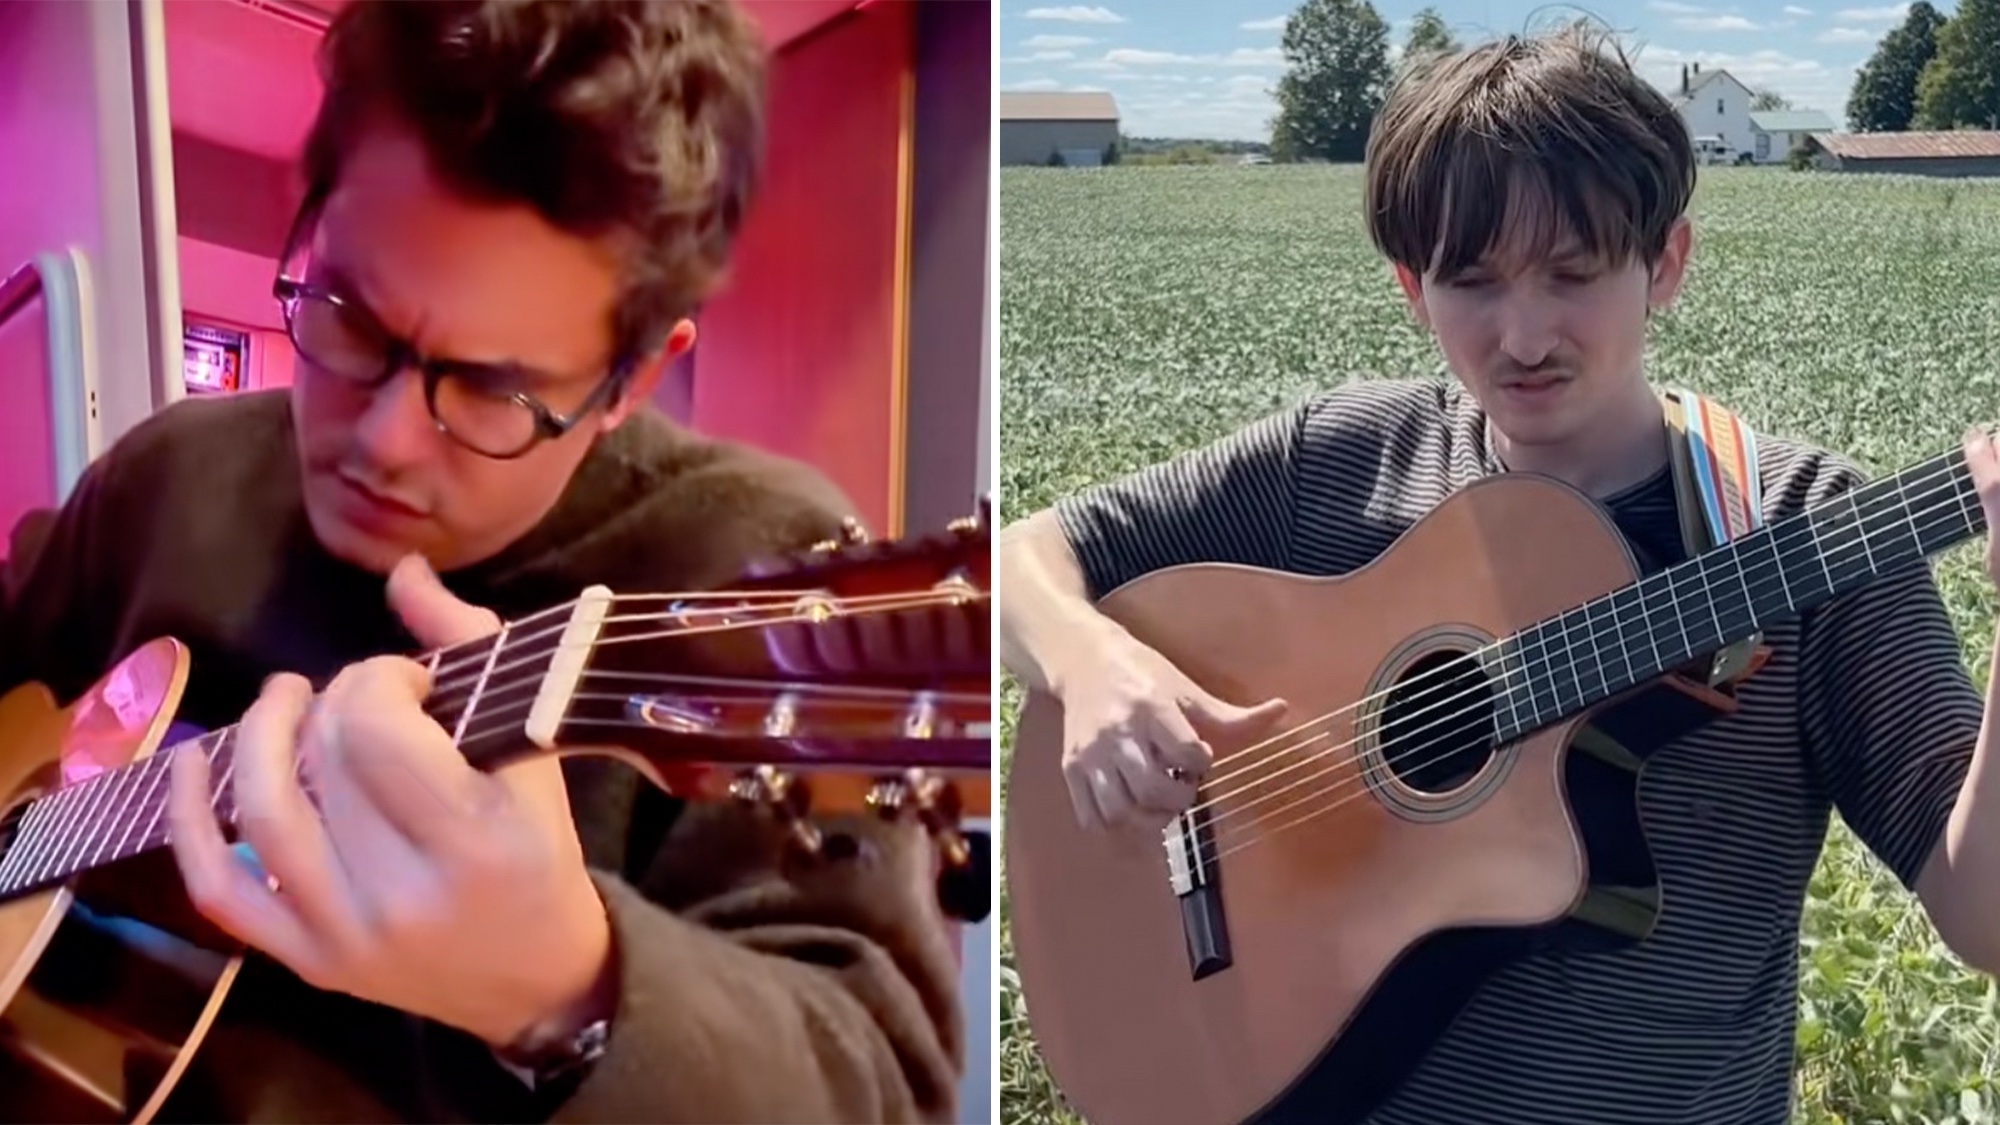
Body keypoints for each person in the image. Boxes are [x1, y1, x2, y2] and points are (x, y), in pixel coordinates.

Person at [998, 20, 2000, 1125]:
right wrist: (1083, 660)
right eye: (1470, 281)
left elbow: (1981, 918)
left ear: (1663, 262)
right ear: (1407, 287)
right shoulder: (1341, 456)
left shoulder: (1806, 526)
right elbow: (1019, 560)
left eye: (1571, 274)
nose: (1523, 336)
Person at [0, 1, 965, 1121]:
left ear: (632, 381)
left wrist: (568, 985)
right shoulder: (171, 470)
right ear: (303, 217)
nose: (385, 442)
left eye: (496, 390)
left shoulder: (762, 569)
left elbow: (881, 1087)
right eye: (354, 319)